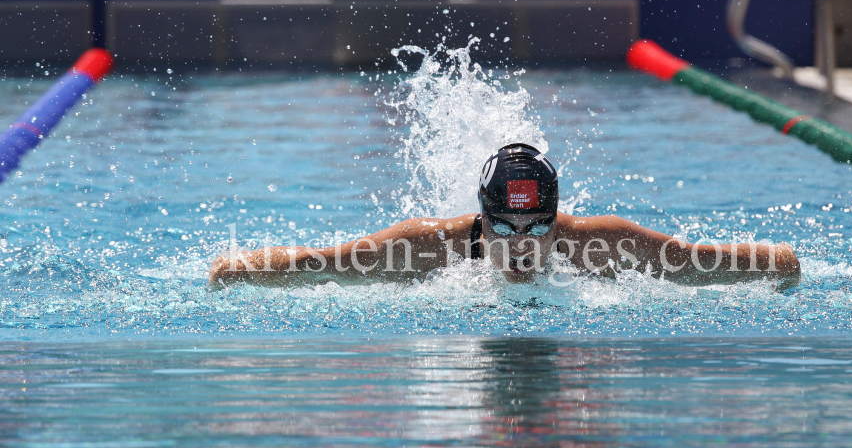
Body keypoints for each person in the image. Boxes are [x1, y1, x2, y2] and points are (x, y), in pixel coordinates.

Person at [208, 143, 801, 289]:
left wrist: (779, 262)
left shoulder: (601, 243)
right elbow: (324, 264)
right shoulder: (427, 247)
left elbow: (695, 266)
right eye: (506, 228)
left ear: (557, 217)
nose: (522, 244)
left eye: (538, 227)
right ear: (481, 218)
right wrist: (235, 268)